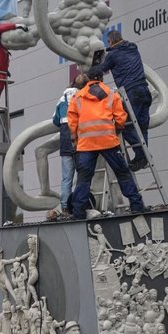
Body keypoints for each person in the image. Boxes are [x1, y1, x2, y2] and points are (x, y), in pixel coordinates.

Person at [66, 68, 146, 220]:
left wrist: (76, 140)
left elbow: (72, 122)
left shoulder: (77, 97)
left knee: (83, 179)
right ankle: (136, 205)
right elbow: (121, 117)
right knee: (122, 173)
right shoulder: (111, 94)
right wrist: (115, 129)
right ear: (101, 78)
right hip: (108, 141)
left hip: (86, 144)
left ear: (88, 79)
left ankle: (78, 213)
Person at [98, 29, 152, 171]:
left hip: (132, 92)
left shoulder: (112, 55)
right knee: (142, 127)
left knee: (125, 125)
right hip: (145, 91)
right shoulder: (133, 48)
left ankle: (143, 155)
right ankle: (142, 159)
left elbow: (102, 69)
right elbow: (119, 48)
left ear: (110, 41)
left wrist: (92, 68)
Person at [51, 78, 79, 216]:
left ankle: (65, 207)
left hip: (65, 140)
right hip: (80, 140)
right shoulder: (82, 96)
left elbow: (55, 120)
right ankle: (80, 203)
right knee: (83, 175)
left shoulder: (61, 100)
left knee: (67, 178)